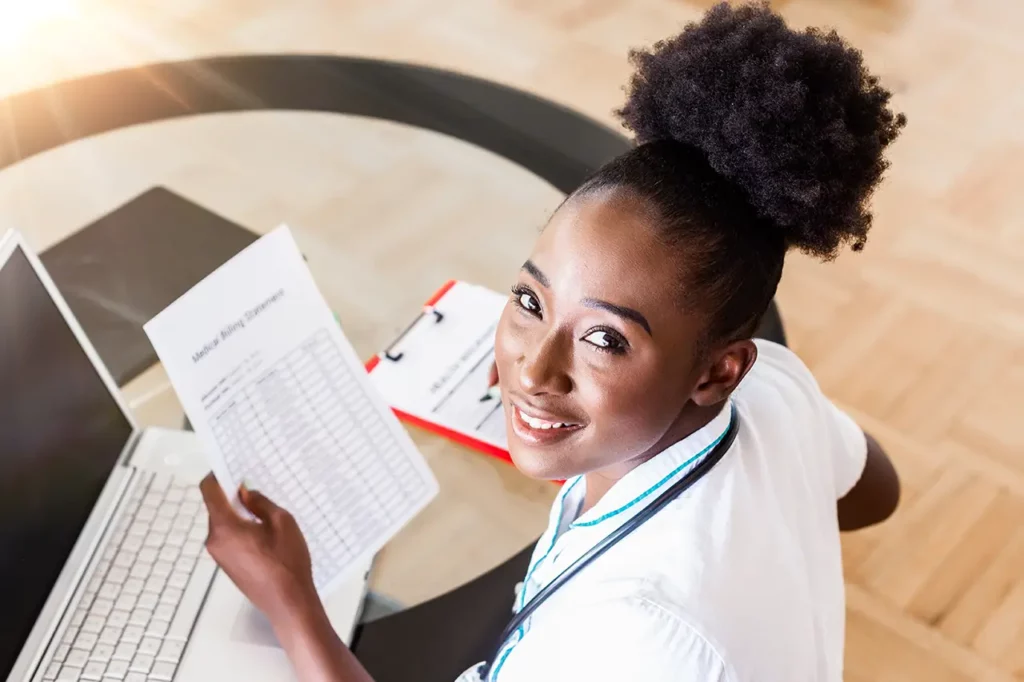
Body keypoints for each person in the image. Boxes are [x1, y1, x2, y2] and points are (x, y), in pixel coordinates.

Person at [198, 2, 904, 680]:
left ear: (718, 372)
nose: (531, 368)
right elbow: (877, 492)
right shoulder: (775, 384)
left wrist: (290, 599)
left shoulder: (639, 630)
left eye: (606, 337)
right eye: (531, 301)